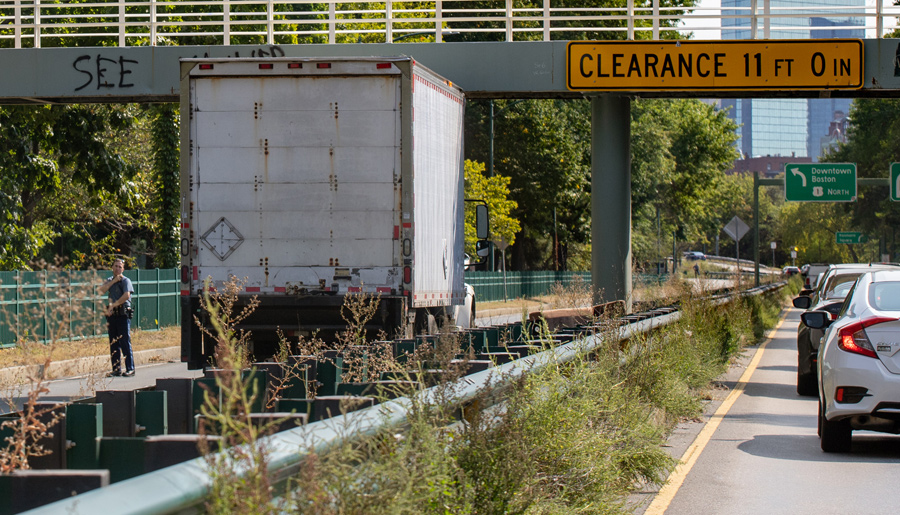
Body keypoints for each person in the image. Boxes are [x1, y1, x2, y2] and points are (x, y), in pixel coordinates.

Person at [99, 258, 135, 377]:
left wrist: (113, 305)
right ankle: (116, 369)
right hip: (112, 315)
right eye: (115, 266)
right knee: (114, 342)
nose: (117, 269)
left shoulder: (126, 281)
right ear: (112, 268)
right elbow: (101, 291)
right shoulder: (110, 280)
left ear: (123, 269)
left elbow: (126, 295)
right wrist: (113, 282)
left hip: (122, 314)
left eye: (120, 267)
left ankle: (130, 368)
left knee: (124, 341)